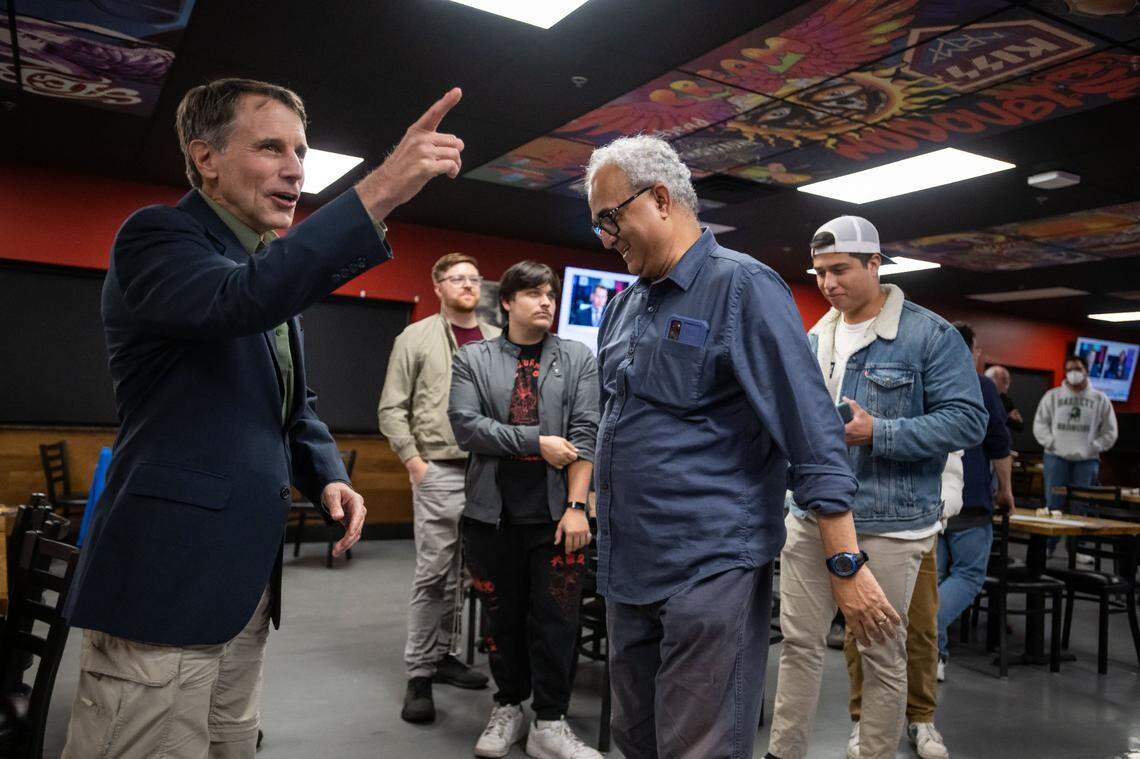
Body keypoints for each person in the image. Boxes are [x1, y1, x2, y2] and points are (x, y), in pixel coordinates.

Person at [60, 77, 465, 758]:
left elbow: (287, 402)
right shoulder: (159, 238)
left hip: (240, 586)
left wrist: (325, 471)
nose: (296, 167)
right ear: (207, 157)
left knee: (230, 745)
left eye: (301, 150)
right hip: (167, 584)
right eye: (271, 146)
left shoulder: (257, 265)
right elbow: (240, 302)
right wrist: (382, 187)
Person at [586, 135, 899, 759]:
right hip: (629, 565)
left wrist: (844, 562)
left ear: (660, 199)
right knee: (633, 737)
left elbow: (810, 429)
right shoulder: (623, 308)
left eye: (610, 218)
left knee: (696, 746)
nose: (604, 237)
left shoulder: (743, 288)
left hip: (708, 566)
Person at [768, 215, 987, 759]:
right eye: (819, 272)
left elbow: (968, 422)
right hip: (812, 517)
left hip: (891, 525)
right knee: (798, 647)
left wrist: (878, 431)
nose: (828, 283)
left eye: (839, 269)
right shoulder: (816, 335)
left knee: (883, 653)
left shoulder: (928, 334)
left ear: (874, 264)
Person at [449, 261, 602, 759]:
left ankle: (550, 722)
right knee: (501, 619)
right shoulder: (473, 359)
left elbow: (585, 436)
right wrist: (536, 441)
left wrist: (578, 506)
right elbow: (467, 427)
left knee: (557, 621)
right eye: (534, 294)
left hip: (558, 518)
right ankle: (509, 706)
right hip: (491, 517)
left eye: (551, 296)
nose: (546, 303)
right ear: (508, 302)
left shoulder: (579, 358)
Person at [378, 252, 497, 724]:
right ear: (438, 286)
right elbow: (392, 407)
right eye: (458, 278)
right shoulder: (415, 337)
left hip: (487, 472)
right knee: (433, 575)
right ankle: (419, 673)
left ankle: (444, 654)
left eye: (474, 277)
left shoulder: (495, 339)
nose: (468, 284)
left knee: (468, 572)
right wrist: (414, 463)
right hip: (440, 470)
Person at [843, 451, 964, 759]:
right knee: (862, 625)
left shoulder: (929, 404)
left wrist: (938, 509)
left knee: (922, 627)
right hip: (865, 526)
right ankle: (863, 719)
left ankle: (921, 718)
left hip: (920, 530)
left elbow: (951, 471)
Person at [937, 323, 1014, 684]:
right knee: (967, 576)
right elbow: (998, 444)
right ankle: (928, 632)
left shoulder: (928, 378)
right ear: (969, 351)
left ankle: (931, 654)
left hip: (930, 502)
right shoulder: (980, 385)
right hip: (970, 502)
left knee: (930, 579)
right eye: (977, 349)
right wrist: (1006, 490)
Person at [1034, 354, 1118, 512]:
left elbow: (1110, 431)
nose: (1074, 373)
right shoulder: (1052, 396)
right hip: (1055, 459)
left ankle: (1075, 539)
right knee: (1053, 506)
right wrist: (1051, 443)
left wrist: (1095, 446)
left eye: (1078, 369)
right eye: (1069, 369)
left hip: (1086, 460)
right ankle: (1053, 538)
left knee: (1081, 507)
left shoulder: (1100, 399)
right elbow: (1040, 424)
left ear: (1086, 370)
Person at [985, 364, 1024, 433]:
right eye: (1004, 379)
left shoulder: (1006, 400)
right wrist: (1007, 418)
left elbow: (1020, 426)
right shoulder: (980, 396)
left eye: (1008, 379)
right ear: (990, 380)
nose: (1008, 382)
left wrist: (1005, 418)